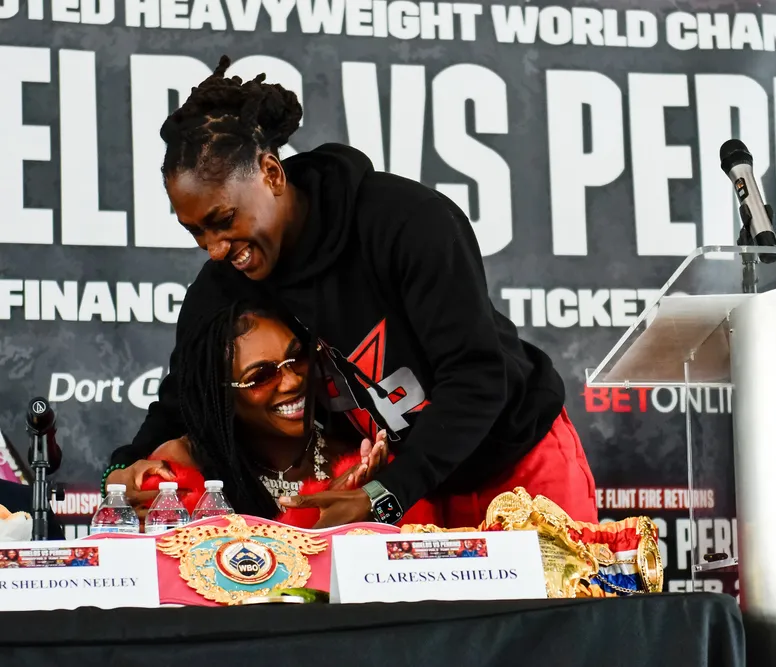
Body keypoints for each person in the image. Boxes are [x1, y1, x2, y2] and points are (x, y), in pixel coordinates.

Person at [105, 55, 598, 530]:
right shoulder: (226, 280)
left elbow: (477, 378)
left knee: (556, 615)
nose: (213, 249)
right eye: (196, 232)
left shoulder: (403, 222)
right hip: (417, 485)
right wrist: (123, 472)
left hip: (519, 461)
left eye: (223, 221)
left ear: (272, 173)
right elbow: (184, 398)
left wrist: (384, 496)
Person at [131, 299, 436, 529]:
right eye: (261, 376)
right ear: (222, 394)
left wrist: (371, 500)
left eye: (297, 356)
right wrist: (316, 520)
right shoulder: (177, 470)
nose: (292, 381)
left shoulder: (358, 462)